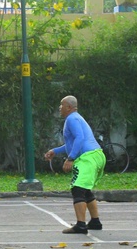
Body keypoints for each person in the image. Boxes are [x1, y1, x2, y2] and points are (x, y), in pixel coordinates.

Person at [44, 95, 106, 234]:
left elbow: (80, 138)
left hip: (87, 157)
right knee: (85, 189)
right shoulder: (76, 118)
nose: (60, 107)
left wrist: (70, 158)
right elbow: (72, 143)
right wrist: (55, 151)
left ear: (69, 107)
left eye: (62, 104)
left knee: (77, 189)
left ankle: (81, 225)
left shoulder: (72, 118)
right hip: (96, 155)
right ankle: (95, 222)